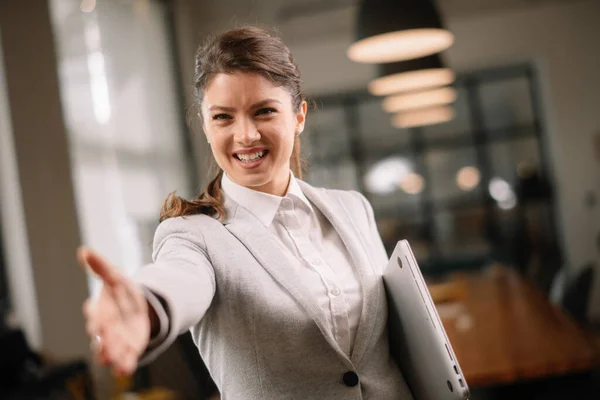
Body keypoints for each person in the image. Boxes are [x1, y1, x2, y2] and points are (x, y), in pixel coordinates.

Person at [79, 26, 413, 399]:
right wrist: (145, 309)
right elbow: (179, 279)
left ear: (299, 116)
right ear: (205, 125)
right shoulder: (193, 236)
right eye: (223, 117)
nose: (246, 135)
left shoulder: (353, 209)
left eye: (264, 111)